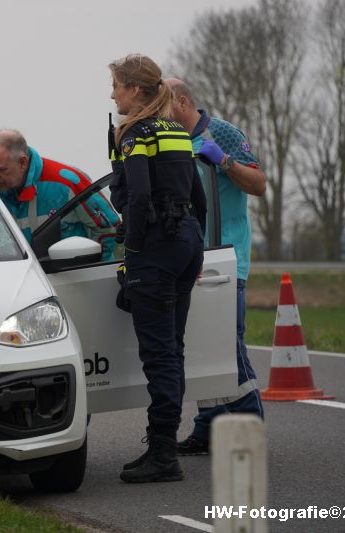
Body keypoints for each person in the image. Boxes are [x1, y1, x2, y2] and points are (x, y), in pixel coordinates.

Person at [108, 54, 206, 483]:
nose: (112, 94)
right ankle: (164, 445)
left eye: (115, 86)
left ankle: (163, 455)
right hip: (186, 243)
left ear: (133, 89)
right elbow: (197, 198)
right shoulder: (176, 130)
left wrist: (131, 251)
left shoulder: (133, 132)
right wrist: (196, 250)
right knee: (174, 351)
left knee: (159, 354)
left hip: (157, 248)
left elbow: (140, 197)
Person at [165, 78, 266, 456]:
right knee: (202, 350)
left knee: (227, 345)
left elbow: (258, 184)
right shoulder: (171, 139)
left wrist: (224, 161)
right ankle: (208, 429)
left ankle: (249, 430)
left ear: (183, 101)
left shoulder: (221, 132)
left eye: (163, 103)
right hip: (191, 260)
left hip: (226, 261)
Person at [0, 129, 118, 258]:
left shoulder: (67, 182)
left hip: (75, 277)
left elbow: (110, 228)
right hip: (26, 277)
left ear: (22, 162)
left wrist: (91, 269)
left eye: (0, 169)